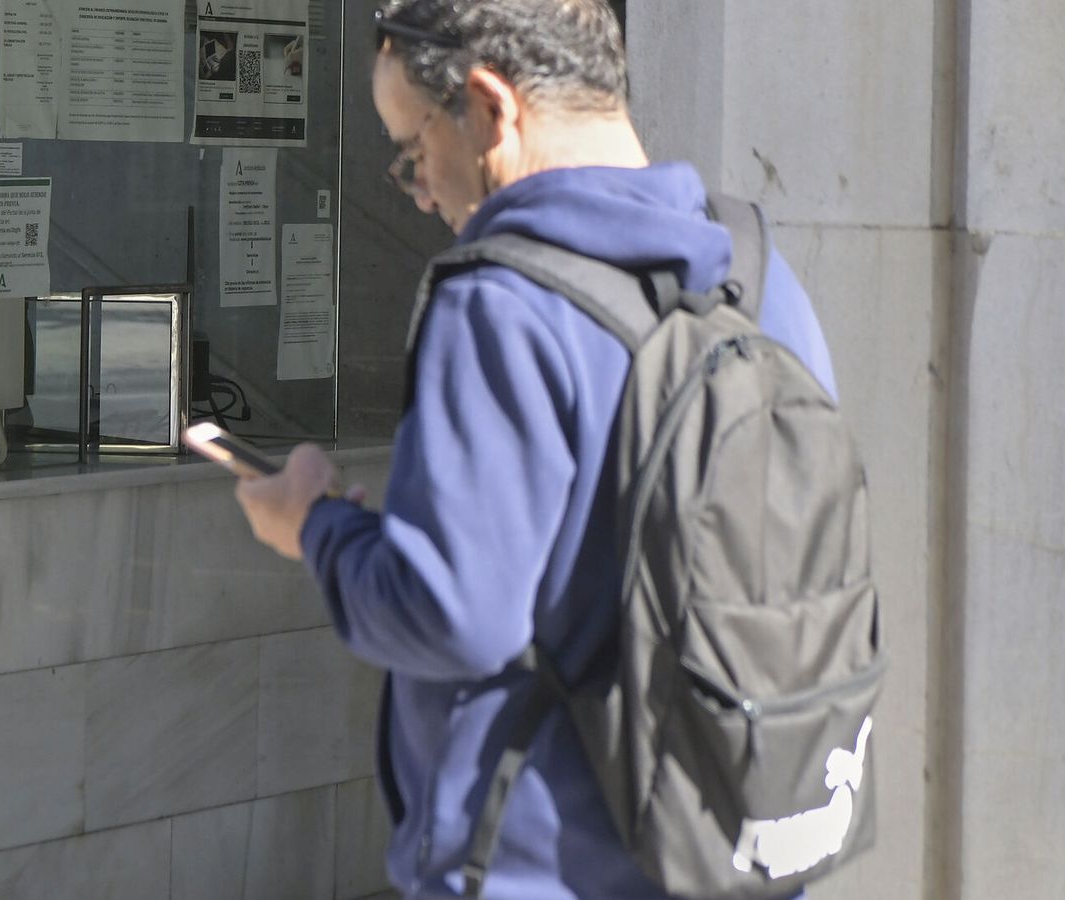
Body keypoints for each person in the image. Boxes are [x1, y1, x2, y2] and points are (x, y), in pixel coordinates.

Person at [233, 1, 837, 897]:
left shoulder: (502, 302)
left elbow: (452, 613)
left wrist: (313, 529)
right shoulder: (750, 267)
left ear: (490, 108)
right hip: (729, 845)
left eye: (411, 149)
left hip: (541, 863)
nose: (422, 189)